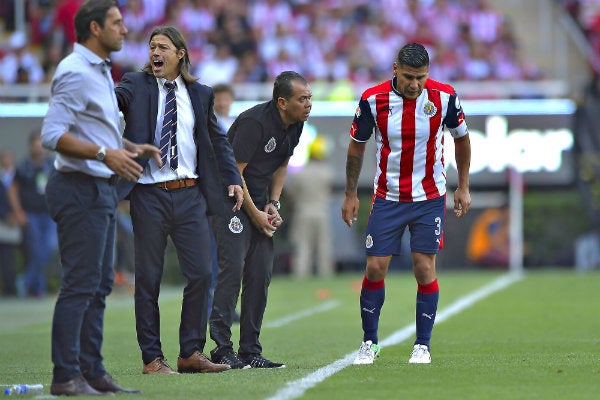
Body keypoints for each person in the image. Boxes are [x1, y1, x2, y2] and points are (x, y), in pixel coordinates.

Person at [41, 0, 160, 396]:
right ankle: (65, 376)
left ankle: (92, 372)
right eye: (117, 23)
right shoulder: (75, 71)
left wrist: (127, 147)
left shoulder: (99, 71)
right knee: (80, 284)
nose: (125, 30)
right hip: (78, 188)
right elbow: (53, 135)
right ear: (94, 28)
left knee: (99, 285)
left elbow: (95, 132)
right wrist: (104, 154)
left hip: (99, 188)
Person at [115, 26, 243, 375]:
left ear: (180, 54)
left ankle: (191, 353)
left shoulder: (200, 93)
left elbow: (217, 140)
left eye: (163, 47)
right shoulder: (135, 84)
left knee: (202, 272)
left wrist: (233, 179)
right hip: (149, 194)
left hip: (190, 194)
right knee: (149, 279)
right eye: (152, 46)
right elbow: (115, 99)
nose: (155, 52)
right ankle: (152, 359)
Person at [341, 43, 471, 365]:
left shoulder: (445, 97)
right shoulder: (373, 100)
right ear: (395, 69)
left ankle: (422, 345)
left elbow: (462, 139)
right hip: (387, 196)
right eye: (410, 77)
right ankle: (369, 342)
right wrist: (350, 193)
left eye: (421, 78)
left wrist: (463, 186)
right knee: (374, 267)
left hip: (429, 197)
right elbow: (356, 148)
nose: (415, 84)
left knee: (424, 268)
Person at [209, 70, 312, 369]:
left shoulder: (296, 124)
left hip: (255, 201)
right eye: (301, 99)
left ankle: (250, 351)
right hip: (228, 199)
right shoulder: (255, 122)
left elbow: (282, 162)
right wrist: (254, 214)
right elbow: (234, 172)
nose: (308, 104)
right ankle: (221, 348)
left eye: (309, 98)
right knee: (233, 271)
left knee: (260, 274)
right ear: (282, 102)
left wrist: (273, 202)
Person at [7, 131, 57, 298]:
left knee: (50, 246)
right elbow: (12, 189)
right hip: (31, 214)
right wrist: (18, 211)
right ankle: (37, 288)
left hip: (49, 213)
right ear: (31, 146)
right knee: (35, 249)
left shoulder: (52, 165)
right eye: (36, 144)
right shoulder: (23, 166)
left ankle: (26, 280)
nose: (39, 148)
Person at [287, 134, 335, 278]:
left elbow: (291, 195)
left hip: (303, 212)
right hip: (322, 212)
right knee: (324, 246)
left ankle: (300, 275)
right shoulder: (328, 173)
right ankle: (326, 274)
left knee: (302, 246)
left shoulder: (299, 174)